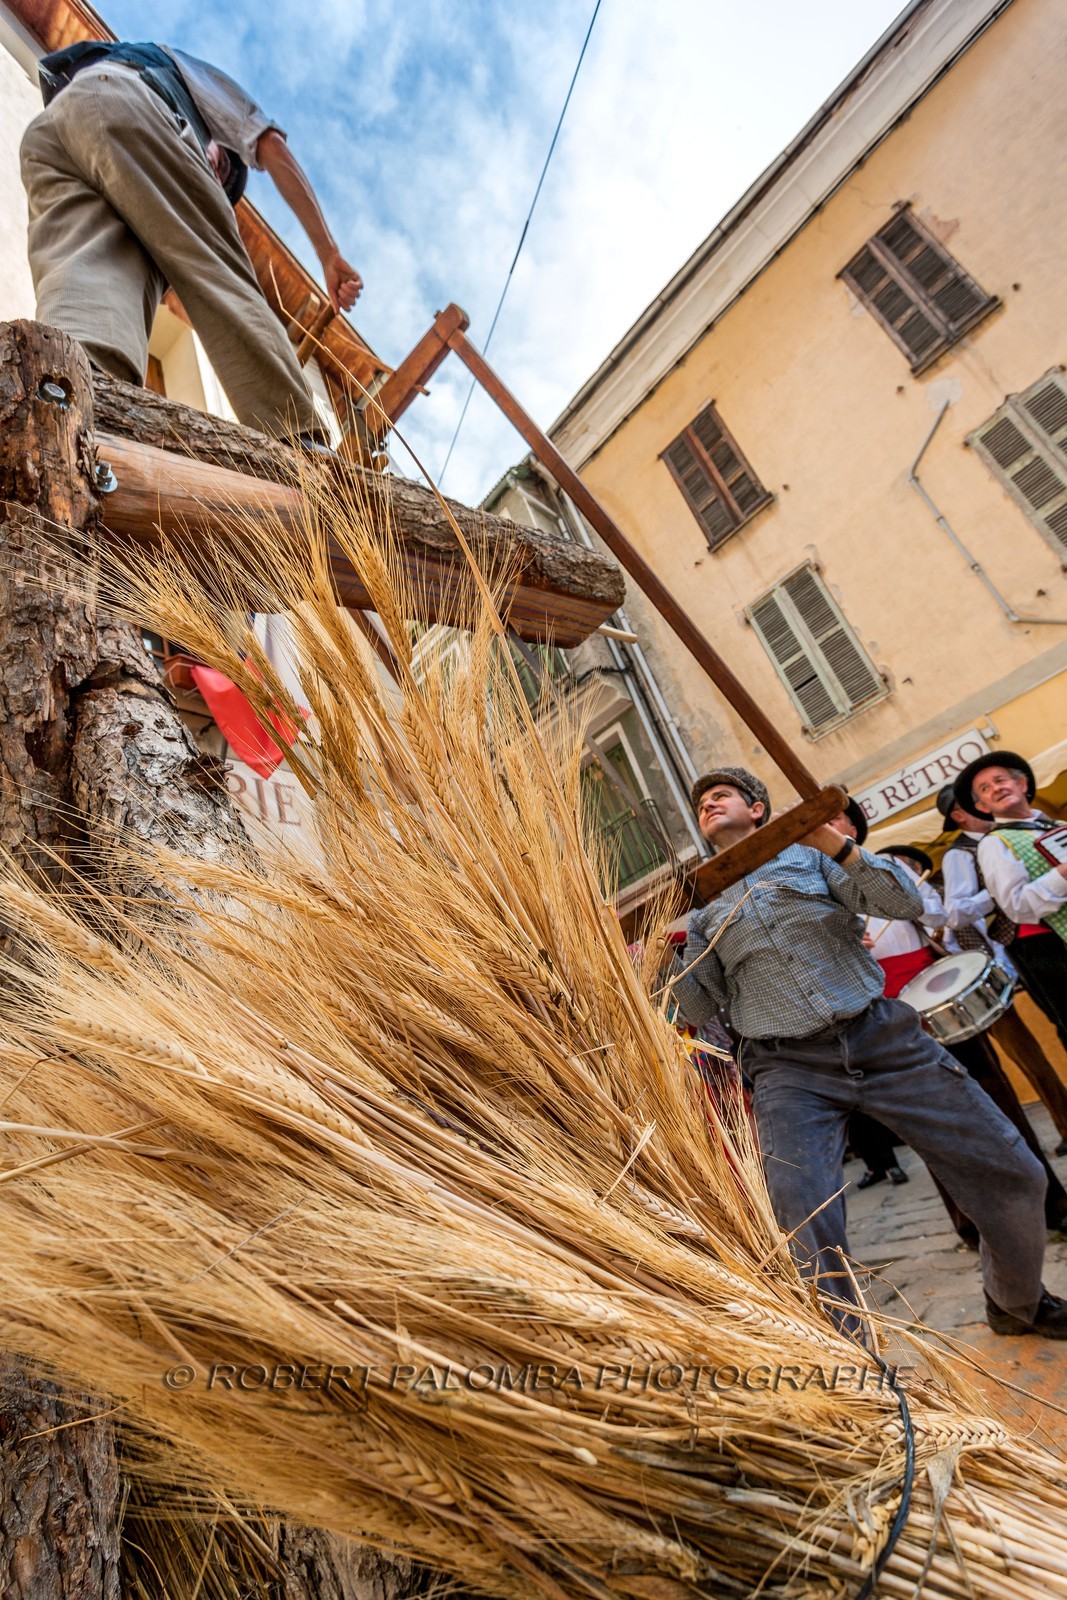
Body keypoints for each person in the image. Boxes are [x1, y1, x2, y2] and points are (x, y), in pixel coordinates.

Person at [675, 765, 1067, 1339]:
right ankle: (850, 1351)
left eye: (722, 794)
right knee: (802, 1216)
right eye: (702, 802)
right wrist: (676, 946)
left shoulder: (811, 859)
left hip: (880, 1036)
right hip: (786, 1066)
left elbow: (904, 902)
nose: (709, 803)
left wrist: (835, 843)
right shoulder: (704, 911)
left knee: (1013, 1172)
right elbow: (694, 1005)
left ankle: (1015, 1304)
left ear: (757, 808)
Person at [19, 40, 361, 441]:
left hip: (48, 138)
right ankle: (302, 443)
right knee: (218, 269)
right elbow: (270, 144)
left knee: (88, 292)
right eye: (217, 166)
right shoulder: (191, 76)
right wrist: (329, 253)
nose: (212, 178)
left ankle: (65, 416)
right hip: (124, 98)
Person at [937, 781, 1067, 1156]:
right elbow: (955, 912)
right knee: (1034, 1053)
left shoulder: (1017, 833)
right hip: (997, 961)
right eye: (970, 804)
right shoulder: (960, 855)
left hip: (1032, 945)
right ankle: (1064, 1124)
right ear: (960, 815)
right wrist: (997, 893)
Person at [957, 753, 1067, 1052]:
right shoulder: (994, 843)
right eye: (985, 788)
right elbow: (1016, 906)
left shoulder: (1057, 826)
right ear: (982, 806)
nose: (995, 788)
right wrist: (1061, 874)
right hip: (1046, 947)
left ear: (1021, 784)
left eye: (1000, 780)